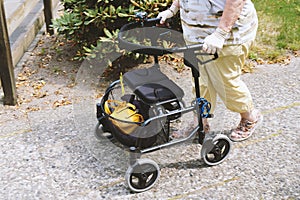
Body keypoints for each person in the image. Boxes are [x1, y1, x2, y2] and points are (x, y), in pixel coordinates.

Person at [157, 0, 263, 142]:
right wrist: (173, 8)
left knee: (225, 81)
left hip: (229, 37)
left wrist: (221, 33)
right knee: (200, 79)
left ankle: (250, 116)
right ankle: (200, 122)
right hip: (196, 36)